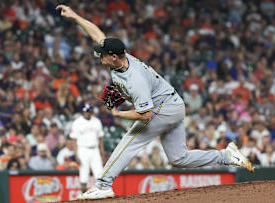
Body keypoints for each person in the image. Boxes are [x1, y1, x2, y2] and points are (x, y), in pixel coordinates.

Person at [57, 4, 253, 200]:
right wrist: (75, 17)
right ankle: (226, 156)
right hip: (172, 104)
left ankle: (103, 185)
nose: (99, 55)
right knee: (179, 158)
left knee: (131, 139)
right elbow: (97, 34)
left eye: (103, 54)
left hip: (163, 107)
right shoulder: (119, 59)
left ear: (114, 57)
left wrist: (118, 114)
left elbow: (146, 115)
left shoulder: (135, 80)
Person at [70, 103, 105, 194]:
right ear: (83, 112)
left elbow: (100, 138)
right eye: (86, 112)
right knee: (83, 173)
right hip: (83, 149)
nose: (88, 113)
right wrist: (76, 154)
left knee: (99, 173)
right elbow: (73, 140)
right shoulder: (77, 122)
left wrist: (102, 153)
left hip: (95, 149)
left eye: (89, 111)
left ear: (92, 112)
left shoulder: (97, 121)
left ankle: (100, 193)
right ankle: (83, 194)